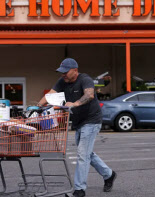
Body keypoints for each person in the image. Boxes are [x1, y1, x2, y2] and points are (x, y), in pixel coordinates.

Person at [38, 58, 117, 197]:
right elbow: (50, 94)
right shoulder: (63, 81)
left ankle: (79, 189)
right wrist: (38, 106)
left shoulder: (84, 79)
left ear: (75, 70)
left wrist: (74, 104)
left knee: (82, 154)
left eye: (65, 72)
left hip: (91, 121)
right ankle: (109, 174)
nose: (63, 74)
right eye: (61, 72)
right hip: (79, 122)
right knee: (87, 154)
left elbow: (89, 95)